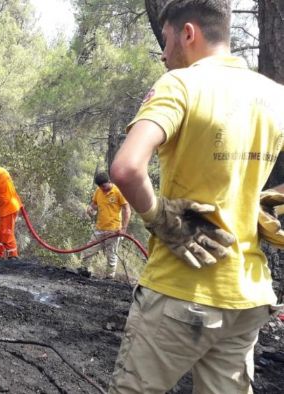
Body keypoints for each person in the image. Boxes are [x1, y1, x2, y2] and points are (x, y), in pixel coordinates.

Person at [108, 0, 284, 392]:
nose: (165, 55)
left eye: (166, 42)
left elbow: (127, 168)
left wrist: (159, 218)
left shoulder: (182, 84)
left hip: (181, 292)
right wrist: (265, 196)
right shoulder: (276, 96)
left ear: (188, 33)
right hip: (248, 296)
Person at [81, 172, 131, 279]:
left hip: (114, 230)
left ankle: (109, 278)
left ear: (109, 181)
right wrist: (91, 208)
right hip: (99, 229)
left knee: (111, 256)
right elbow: (94, 204)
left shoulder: (118, 192)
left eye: (104, 186)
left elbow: (127, 209)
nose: (102, 189)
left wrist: (124, 228)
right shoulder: (98, 191)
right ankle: (84, 271)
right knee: (88, 250)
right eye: (100, 187)